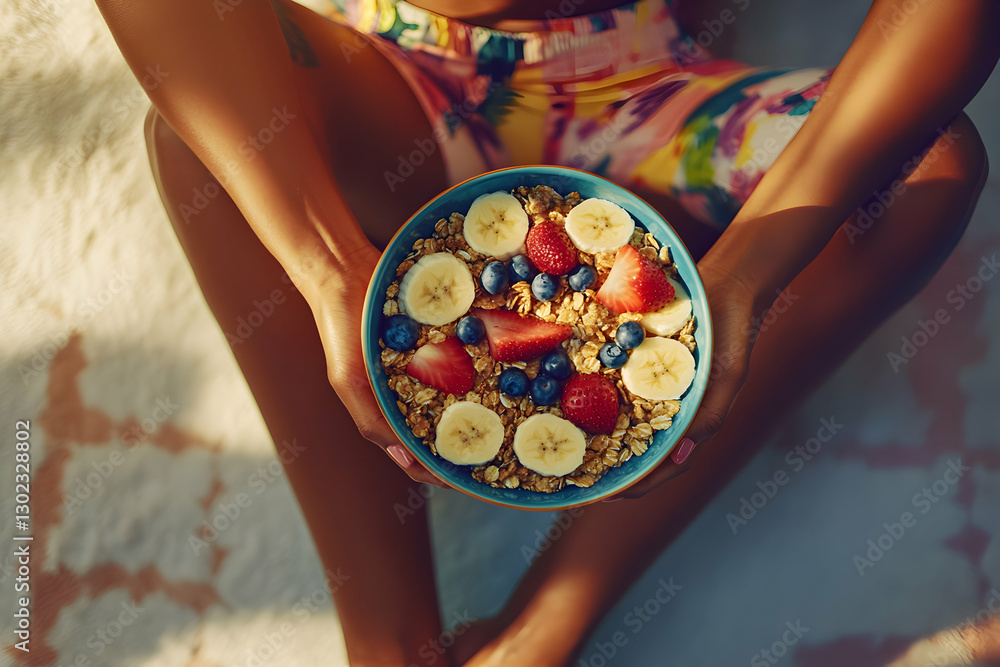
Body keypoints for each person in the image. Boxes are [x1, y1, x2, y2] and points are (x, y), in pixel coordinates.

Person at [94, 0, 997, 663]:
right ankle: (388, 642)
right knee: (198, 142)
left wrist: (746, 275)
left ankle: (544, 624)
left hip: (652, 86)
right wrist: (322, 261)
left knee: (929, 165)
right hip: (392, 70)